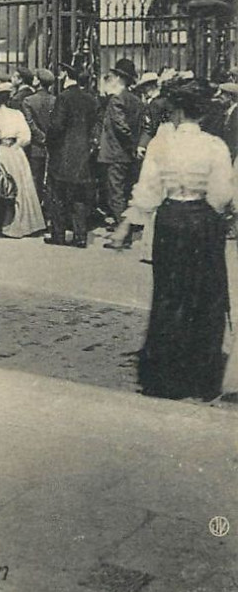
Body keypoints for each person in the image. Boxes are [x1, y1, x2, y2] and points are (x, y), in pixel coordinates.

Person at [108, 80, 233, 400]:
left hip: (170, 221)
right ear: (203, 113)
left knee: (169, 294)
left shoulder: (161, 145)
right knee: (205, 296)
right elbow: (220, 197)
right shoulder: (215, 146)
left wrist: (127, 224)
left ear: (176, 111)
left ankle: (166, 377)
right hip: (202, 223)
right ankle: (201, 377)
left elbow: (148, 190)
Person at [46, 61, 98, 248]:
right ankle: (80, 236)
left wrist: (49, 141)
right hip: (83, 154)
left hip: (63, 154)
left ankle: (58, 234)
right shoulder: (90, 98)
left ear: (67, 74)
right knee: (79, 197)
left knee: (58, 195)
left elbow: (57, 126)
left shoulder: (64, 98)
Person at [0, 82, 45, 238]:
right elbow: (26, 136)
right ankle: (27, 224)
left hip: (2, 151)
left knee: (5, 187)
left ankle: (7, 224)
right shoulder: (17, 114)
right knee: (21, 187)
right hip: (17, 152)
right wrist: (16, 146)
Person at [98, 58, 144, 239]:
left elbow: (121, 127)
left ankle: (122, 233)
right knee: (124, 191)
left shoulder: (116, 99)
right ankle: (126, 227)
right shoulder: (135, 100)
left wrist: (129, 144)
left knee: (115, 193)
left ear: (118, 78)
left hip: (115, 153)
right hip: (125, 154)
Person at [21, 68, 55, 208]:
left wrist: (41, 138)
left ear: (39, 82)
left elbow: (29, 123)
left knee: (35, 179)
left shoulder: (28, 101)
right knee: (50, 180)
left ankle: (36, 211)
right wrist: (49, 138)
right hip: (52, 146)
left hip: (35, 146)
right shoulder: (55, 100)